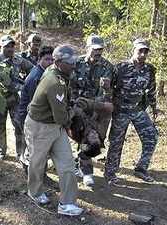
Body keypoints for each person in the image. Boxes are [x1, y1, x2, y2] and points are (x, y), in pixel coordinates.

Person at [24, 44, 84, 216]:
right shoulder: (55, 82)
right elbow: (62, 117)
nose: (74, 65)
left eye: (74, 61)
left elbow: (60, 116)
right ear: (58, 62)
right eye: (69, 62)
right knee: (37, 162)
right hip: (40, 127)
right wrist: (74, 110)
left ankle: (67, 203)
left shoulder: (60, 73)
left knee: (67, 164)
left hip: (55, 127)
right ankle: (35, 192)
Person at [104, 38, 159, 185]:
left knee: (151, 137)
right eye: (140, 50)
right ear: (134, 50)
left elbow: (151, 89)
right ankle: (110, 172)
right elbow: (109, 89)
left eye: (145, 51)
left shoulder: (149, 70)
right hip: (121, 110)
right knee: (116, 142)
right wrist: (108, 104)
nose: (142, 54)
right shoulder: (120, 68)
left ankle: (141, 168)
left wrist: (154, 106)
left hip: (138, 109)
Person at [70, 34, 114, 187]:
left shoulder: (107, 67)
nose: (98, 52)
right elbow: (71, 87)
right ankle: (86, 171)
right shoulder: (76, 63)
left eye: (101, 49)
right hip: (77, 107)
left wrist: (96, 110)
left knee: (93, 139)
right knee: (85, 137)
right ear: (87, 48)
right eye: (95, 49)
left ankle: (81, 164)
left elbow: (106, 93)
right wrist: (75, 107)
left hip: (97, 109)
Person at [0, 34, 34, 160]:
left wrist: (26, 82)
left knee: (19, 125)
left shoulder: (17, 59)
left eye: (11, 46)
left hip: (15, 99)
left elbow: (32, 69)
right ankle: (1, 150)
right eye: (6, 46)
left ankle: (20, 152)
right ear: (1, 47)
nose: (10, 49)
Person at [15, 46, 54, 176]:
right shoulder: (36, 77)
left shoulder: (45, 73)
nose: (50, 62)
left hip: (32, 116)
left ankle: (36, 173)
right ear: (39, 60)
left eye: (52, 59)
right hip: (28, 117)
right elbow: (35, 103)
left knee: (35, 149)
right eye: (47, 59)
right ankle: (37, 177)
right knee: (36, 150)